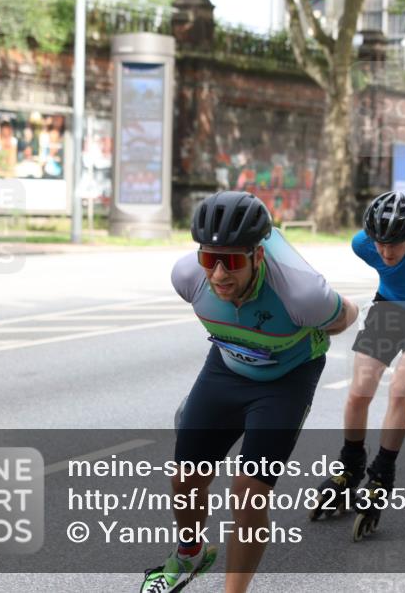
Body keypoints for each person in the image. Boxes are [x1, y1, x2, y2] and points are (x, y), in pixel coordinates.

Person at [141, 191, 359, 593]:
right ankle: (191, 554)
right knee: (185, 479)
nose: (220, 275)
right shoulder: (187, 277)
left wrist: (309, 325)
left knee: (248, 494)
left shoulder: (302, 294)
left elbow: (347, 315)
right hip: (226, 367)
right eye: (210, 259)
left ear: (258, 256)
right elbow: (211, 281)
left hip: (287, 381)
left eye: (234, 261)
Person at [312, 191, 405, 540]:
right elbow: (383, 261)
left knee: (400, 389)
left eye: (394, 243)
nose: (385, 251)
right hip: (389, 309)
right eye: (379, 243)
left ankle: (382, 474)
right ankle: (350, 468)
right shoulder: (361, 244)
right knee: (359, 392)